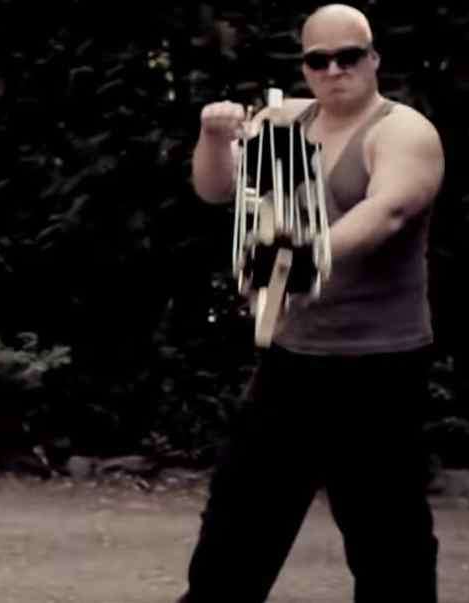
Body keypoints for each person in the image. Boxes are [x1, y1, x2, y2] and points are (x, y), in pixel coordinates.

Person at [177, 4, 445, 602]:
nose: (334, 70)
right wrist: (214, 136)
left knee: (388, 543)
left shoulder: (403, 131)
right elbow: (217, 190)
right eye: (319, 60)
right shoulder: (285, 123)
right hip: (293, 359)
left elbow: (390, 210)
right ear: (304, 67)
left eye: (348, 56)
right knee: (235, 534)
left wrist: (306, 254)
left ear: (373, 59)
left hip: (380, 366)